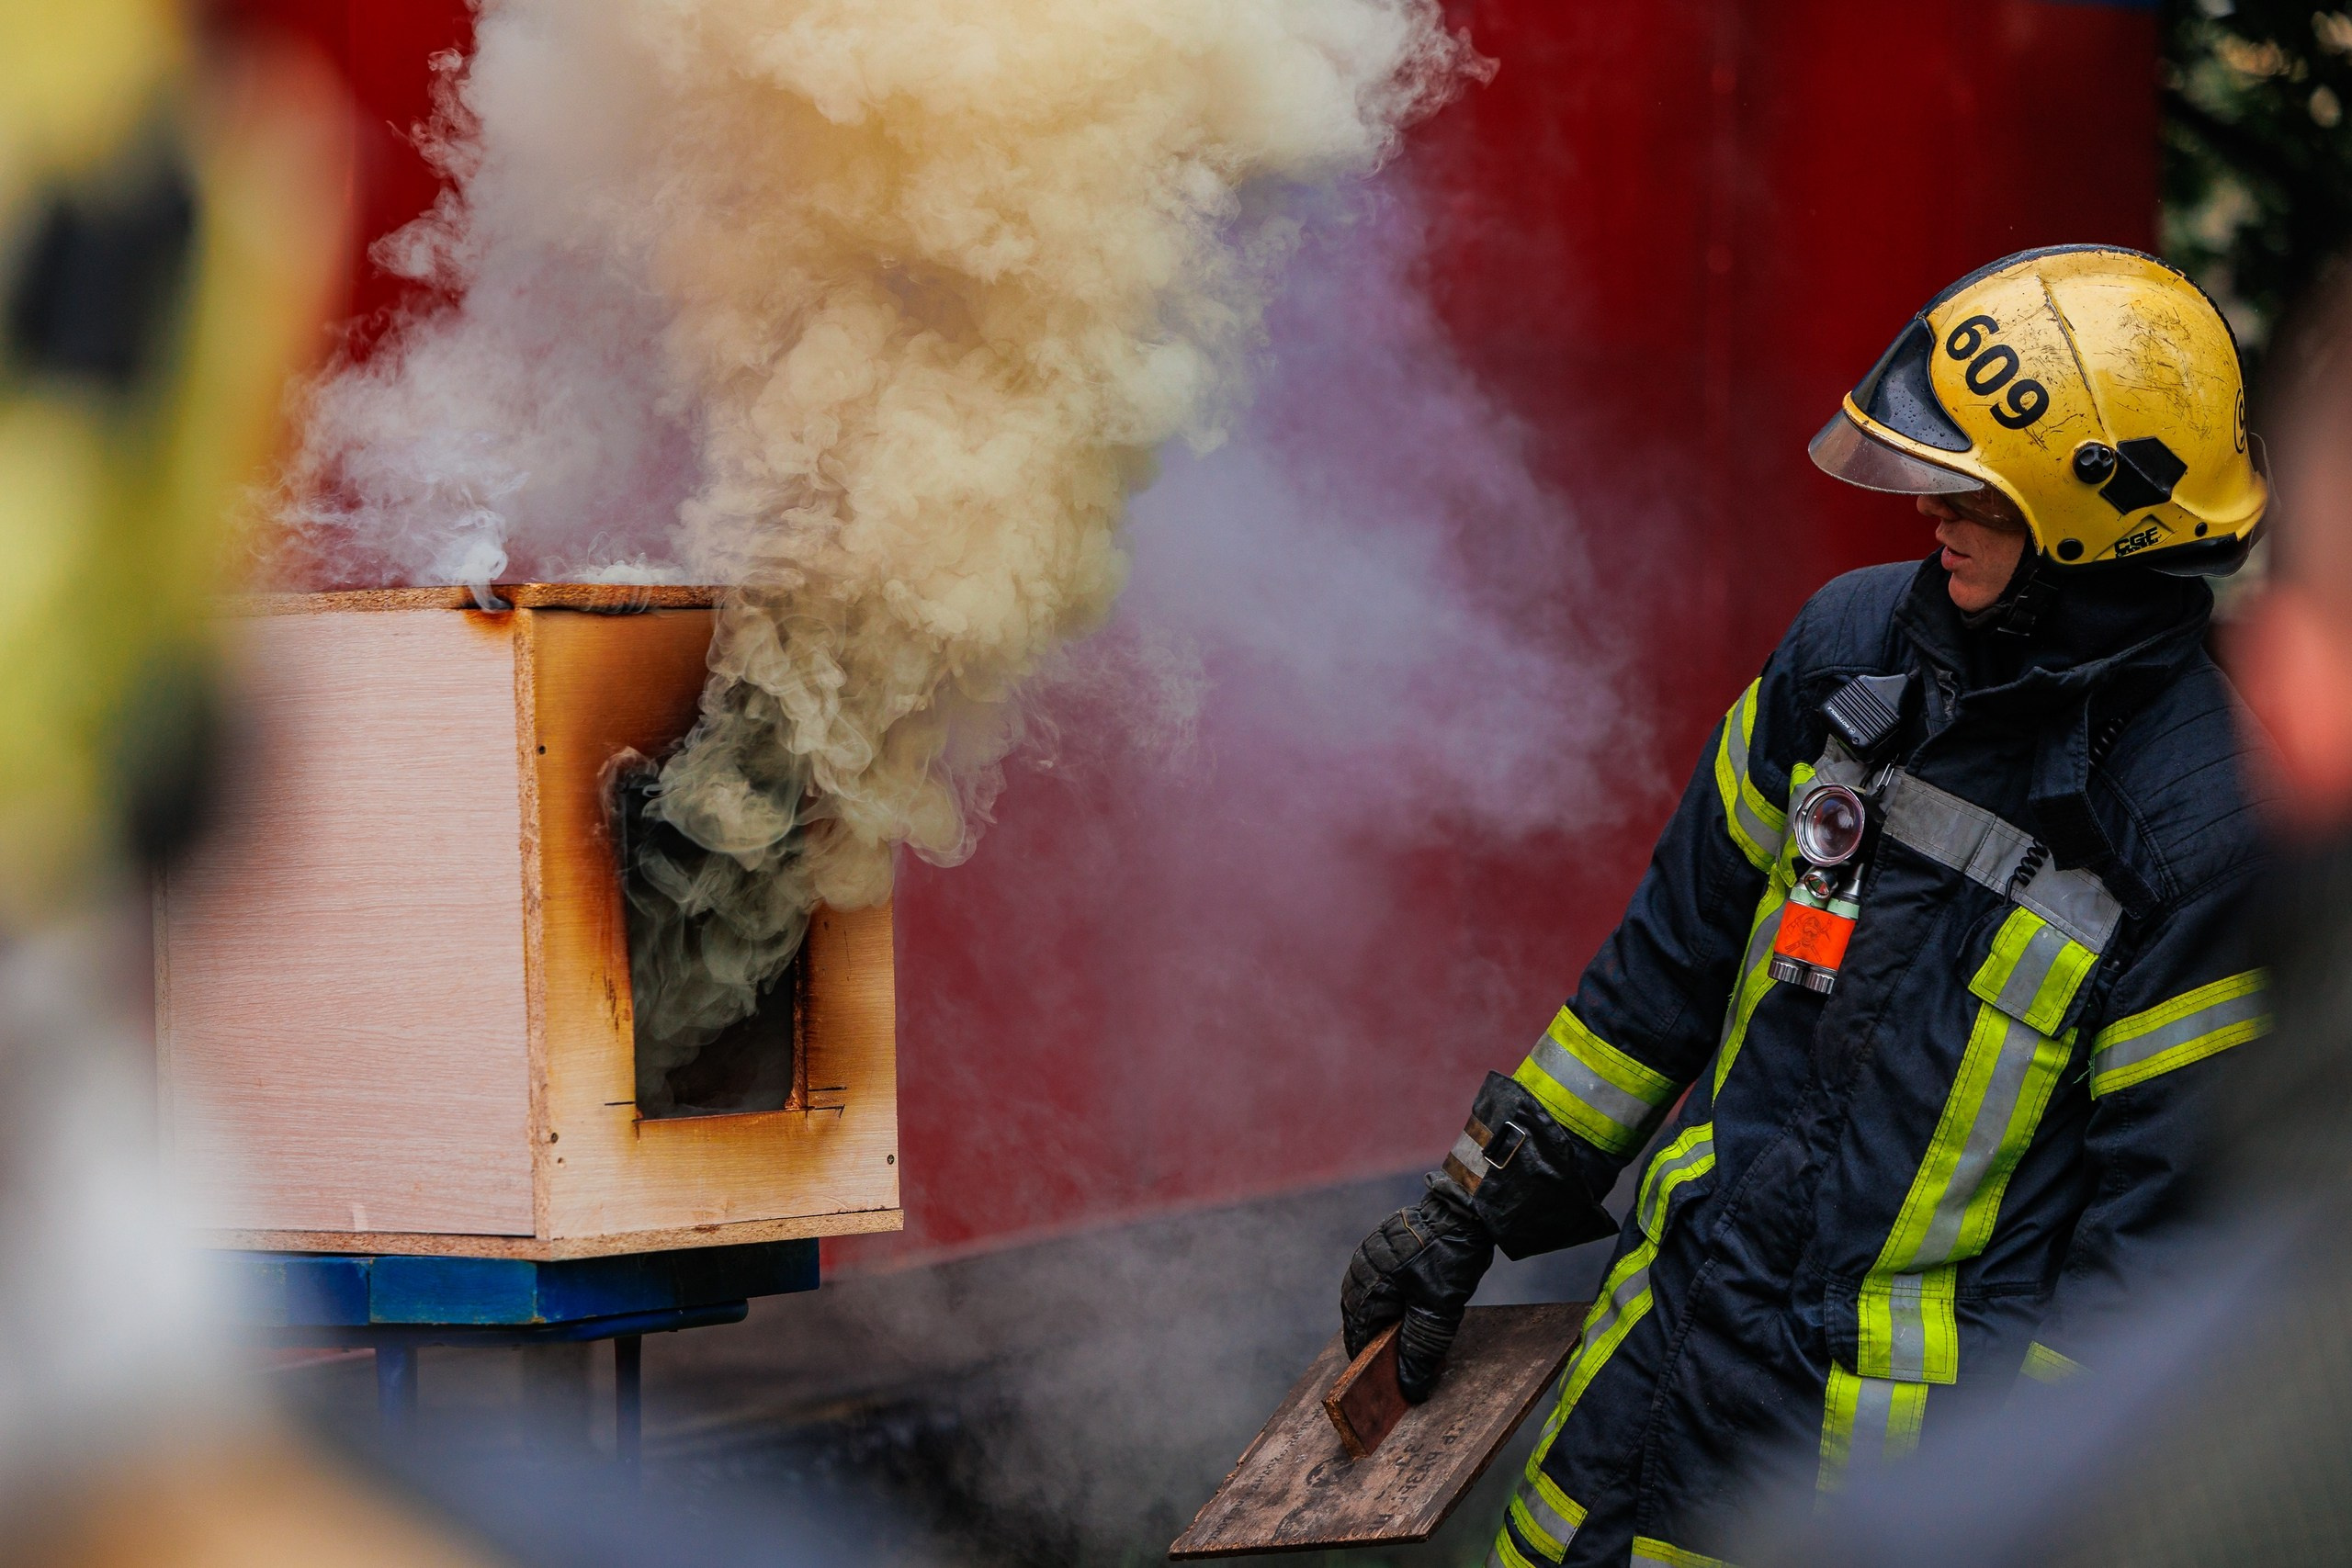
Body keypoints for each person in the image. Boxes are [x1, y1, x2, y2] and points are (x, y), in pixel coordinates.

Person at [1339, 245, 2274, 1568]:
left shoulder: (2198, 834)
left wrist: (2045, 1509)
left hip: (1877, 1501)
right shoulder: (1848, 655)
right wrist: (1466, 1209)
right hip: (1645, 1397)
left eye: (1979, 497)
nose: (1931, 513)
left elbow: (2153, 1263)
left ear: (2091, 528)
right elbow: (1662, 968)